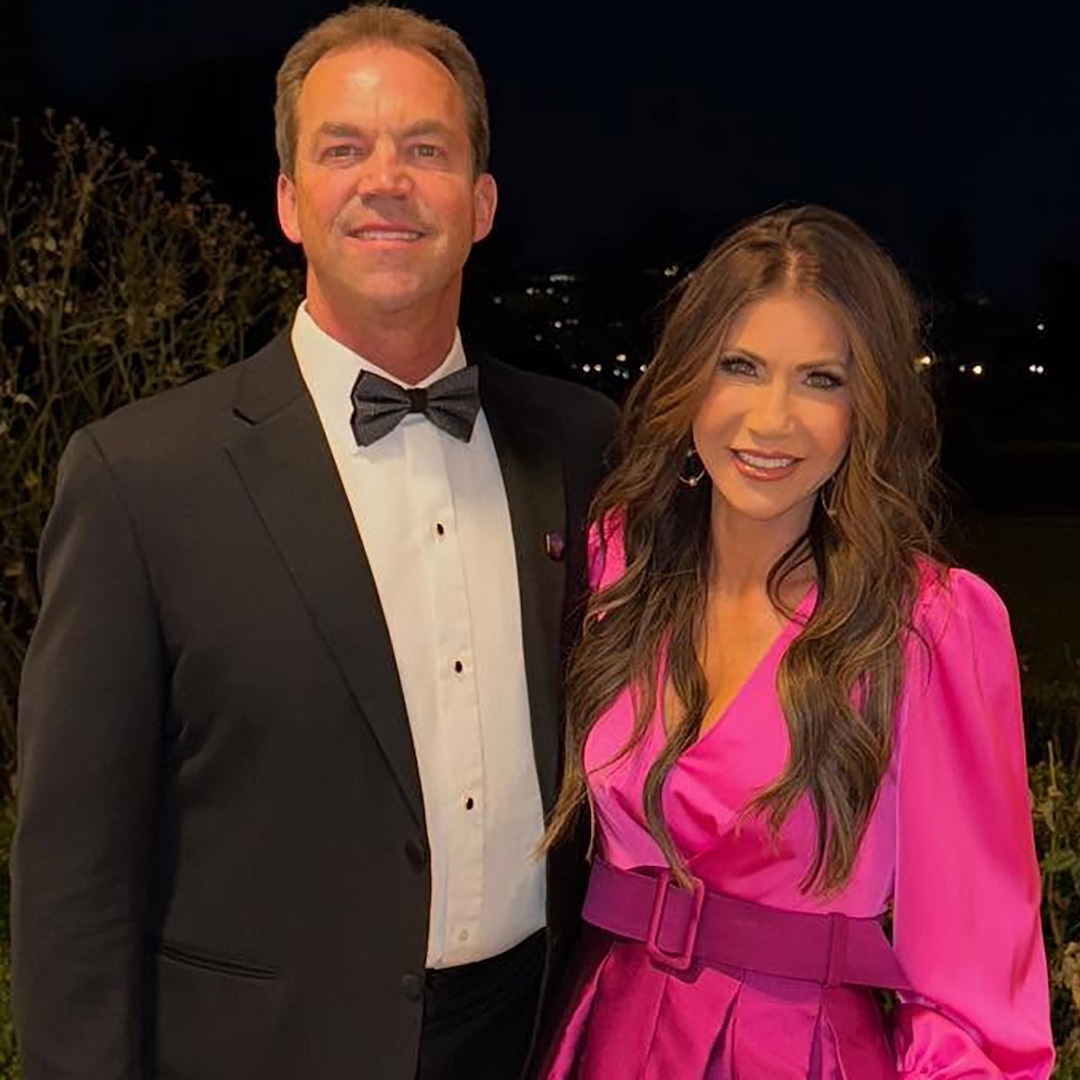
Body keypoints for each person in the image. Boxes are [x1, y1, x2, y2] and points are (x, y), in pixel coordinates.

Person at [11, 5, 616, 1078]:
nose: (386, 180)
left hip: (529, 1039)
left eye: (426, 149)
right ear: (290, 201)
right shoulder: (140, 479)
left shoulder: (580, 443)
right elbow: (75, 883)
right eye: (344, 149)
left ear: (481, 203)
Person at [540, 205, 1054, 1078]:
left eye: (820, 380)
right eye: (740, 366)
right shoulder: (615, 567)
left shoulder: (926, 627)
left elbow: (974, 987)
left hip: (796, 1053)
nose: (772, 420)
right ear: (689, 379)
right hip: (606, 1033)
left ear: (866, 409)